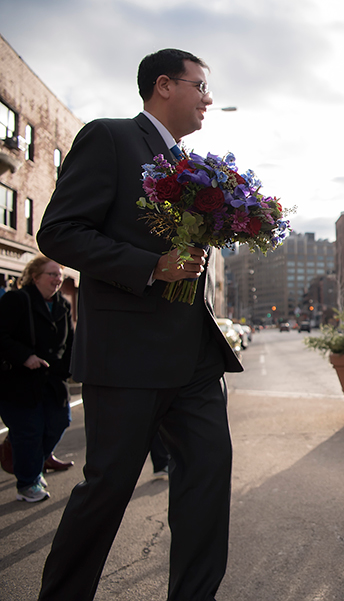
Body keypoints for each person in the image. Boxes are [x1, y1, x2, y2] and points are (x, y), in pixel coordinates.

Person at [35, 49, 242, 600]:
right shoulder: (110, 138)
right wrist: (150, 266)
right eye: (200, 85)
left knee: (207, 478)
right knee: (107, 489)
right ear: (163, 86)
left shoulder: (197, 168)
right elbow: (59, 231)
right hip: (128, 354)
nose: (209, 98)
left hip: (193, 356)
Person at [0, 256, 74, 503]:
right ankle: (28, 483)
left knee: (59, 422)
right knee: (29, 431)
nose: (57, 279)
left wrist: (72, 367)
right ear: (35, 277)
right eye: (52, 274)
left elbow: (70, 342)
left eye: (59, 275)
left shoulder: (62, 305)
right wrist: (25, 356)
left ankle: (30, 458)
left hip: (53, 381)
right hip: (19, 381)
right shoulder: (17, 300)